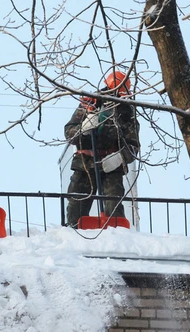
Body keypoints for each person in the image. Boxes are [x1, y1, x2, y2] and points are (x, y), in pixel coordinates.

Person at [64, 70, 140, 228]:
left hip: (111, 166)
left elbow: (133, 146)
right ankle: (74, 236)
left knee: (114, 210)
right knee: (75, 210)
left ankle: (117, 240)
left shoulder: (127, 113)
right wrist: (83, 129)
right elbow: (69, 133)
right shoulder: (89, 104)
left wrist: (120, 157)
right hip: (85, 164)